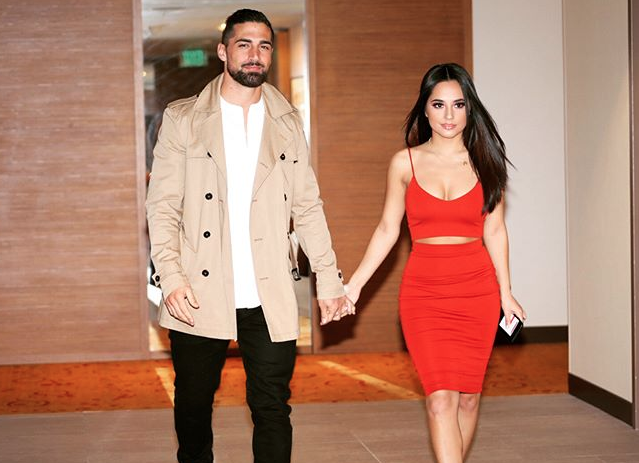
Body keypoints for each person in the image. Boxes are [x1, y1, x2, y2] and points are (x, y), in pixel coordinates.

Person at [146, 9, 353, 463]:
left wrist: (329, 279)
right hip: (198, 289)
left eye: (263, 45)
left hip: (268, 287)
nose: (254, 54)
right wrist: (172, 276)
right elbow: (162, 207)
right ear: (223, 52)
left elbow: (307, 206)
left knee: (272, 405)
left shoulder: (286, 122)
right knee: (194, 404)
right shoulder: (183, 119)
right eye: (244, 44)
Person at [344, 63, 526, 462]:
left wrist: (506, 293)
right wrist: (354, 285)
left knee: (469, 399)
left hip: (477, 292)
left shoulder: (487, 161)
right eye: (438, 104)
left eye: (458, 105)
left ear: (469, 109)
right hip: (423, 294)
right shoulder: (404, 163)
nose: (448, 115)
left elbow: (496, 231)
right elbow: (387, 229)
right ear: (424, 109)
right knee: (440, 400)